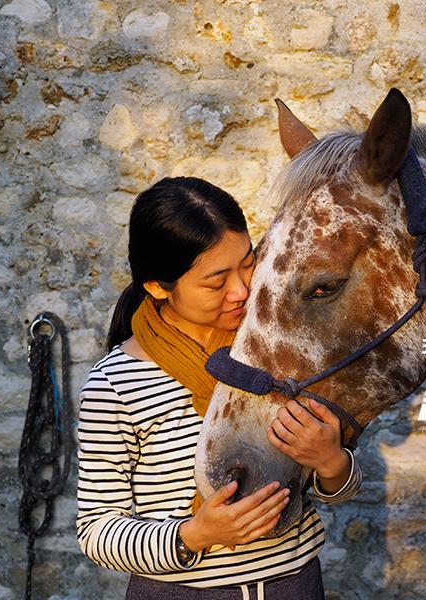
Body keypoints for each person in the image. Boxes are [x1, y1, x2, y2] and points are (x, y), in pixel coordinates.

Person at [76, 176, 362, 599]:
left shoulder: (278, 350)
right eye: (215, 282)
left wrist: (333, 462)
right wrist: (193, 534)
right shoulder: (116, 384)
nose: (241, 291)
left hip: (295, 585)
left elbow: (337, 486)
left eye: (248, 264)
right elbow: (96, 530)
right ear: (157, 286)